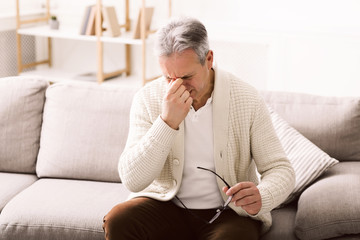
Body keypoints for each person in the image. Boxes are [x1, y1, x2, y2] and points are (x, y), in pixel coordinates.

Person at [102, 17, 295, 240]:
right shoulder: (148, 98)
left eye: (186, 77)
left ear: (209, 59)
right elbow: (133, 180)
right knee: (119, 220)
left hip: (228, 213)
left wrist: (263, 194)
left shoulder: (247, 99)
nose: (177, 86)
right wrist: (166, 123)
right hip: (166, 206)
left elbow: (281, 169)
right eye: (168, 77)